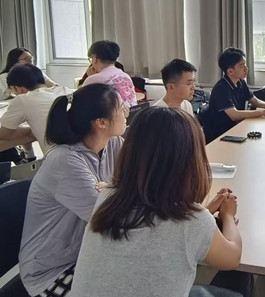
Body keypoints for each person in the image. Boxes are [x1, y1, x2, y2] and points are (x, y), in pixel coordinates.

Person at [70, 107, 248, 297]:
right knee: (238, 285)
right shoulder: (193, 220)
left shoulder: (107, 197)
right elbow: (232, 258)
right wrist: (227, 216)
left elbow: (157, 228)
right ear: (192, 161)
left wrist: (206, 212)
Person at [18, 84, 126, 297]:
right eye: (121, 108)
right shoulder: (65, 161)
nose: (126, 113)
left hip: (89, 254)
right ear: (101, 122)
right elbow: (108, 218)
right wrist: (118, 191)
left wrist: (114, 190)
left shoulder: (114, 144)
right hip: (52, 271)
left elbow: (136, 185)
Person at [203, 48, 265, 143]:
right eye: (242, 66)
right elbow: (234, 115)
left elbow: (255, 101)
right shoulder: (221, 89)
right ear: (230, 71)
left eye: (245, 65)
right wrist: (263, 112)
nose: (246, 69)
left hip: (237, 127)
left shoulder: (241, 82)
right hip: (223, 135)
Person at [0, 64, 72, 155]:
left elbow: (4, 134)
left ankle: (28, 156)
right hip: (85, 154)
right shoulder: (65, 90)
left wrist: (29, 131)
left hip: (59, 157)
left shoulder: (24, 99)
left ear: (19, 89)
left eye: (13, 92)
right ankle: (29, 156)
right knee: (31, 133)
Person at [80, 40, 137, 108]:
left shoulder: (93, 79)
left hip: (112, 114)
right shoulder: (125, 76)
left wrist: (91, 78)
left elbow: (82, 101)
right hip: (132, 113)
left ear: (95, 58)